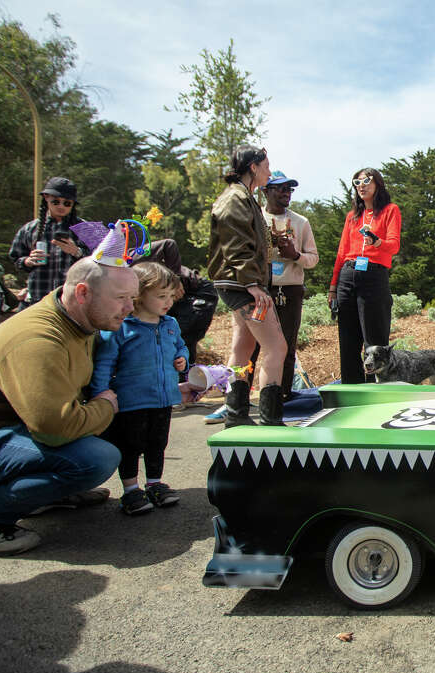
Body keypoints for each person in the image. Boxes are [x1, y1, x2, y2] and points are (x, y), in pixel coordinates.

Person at [0, 259, 136, 555]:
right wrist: (105, 406)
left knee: (114, 423)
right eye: (121, 298)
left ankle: (46, 494)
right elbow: (55, 429)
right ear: (82, 293)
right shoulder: (37, 339)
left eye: (133, 298)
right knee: (96, 458)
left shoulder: (81, 321)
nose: (129, 308)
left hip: (13, 431)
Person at [88, 262, 188, 515]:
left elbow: (181, 347)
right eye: (161, 296)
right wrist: (100, 394)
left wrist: (182, 359)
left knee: (157, 443)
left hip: (163, 399)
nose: (168, 302)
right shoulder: (122, 327)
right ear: (139, 295)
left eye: (171, 296)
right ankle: (131, 490)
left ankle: (154, 483)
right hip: (131, 401)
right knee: (130, 445)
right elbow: (105, 362)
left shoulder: (170, 324)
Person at [208, 145, 288, 426]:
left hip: (237, 282)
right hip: (242, 284)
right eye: (266, 166)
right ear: (253, 167)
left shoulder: (242, 197)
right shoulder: (235, 198)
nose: (269, 171)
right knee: (276, 347)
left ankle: (236, 413)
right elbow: (236, 246)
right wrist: (254, 284)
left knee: (243, 346)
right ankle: (270, 418)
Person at [328, 167, 401, 384]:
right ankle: (351, 391)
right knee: (348, 340)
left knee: (375, 341)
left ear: (377, 183)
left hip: (373, 276)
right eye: (357, 182)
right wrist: (333, 286)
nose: (362, 185)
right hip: (348, 276)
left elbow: (394, 246)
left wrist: (377, 241)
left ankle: (376, 394)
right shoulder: (352, 216)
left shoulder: (390, 210)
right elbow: (341, 252)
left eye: (366, 181)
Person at [252, 170, 318, 399]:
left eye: (289, 189)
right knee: (253, 346)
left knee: (287, 345)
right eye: (280, 188)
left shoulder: (301, 222)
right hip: (260, 290)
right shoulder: (255, 219)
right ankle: (251, 395)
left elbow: (313, 259)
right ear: (265, 190)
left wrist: (295, 254)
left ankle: (284, 395)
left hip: (290, 290)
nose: (286, 193)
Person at [9, 176, 90, 308]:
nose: (61, 206)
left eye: (67, 203)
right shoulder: (30, 229)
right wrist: (27, 261)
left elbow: (101, 260)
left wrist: (77, 252)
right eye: (56, 202)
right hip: (37, 297)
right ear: (46, 198)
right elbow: (15, 257)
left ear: (73, 204)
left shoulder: (85, 228)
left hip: (72, 299)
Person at [136, 238, 218, 367]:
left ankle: (185, 377)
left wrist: (176, 278)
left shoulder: (130, 257)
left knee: (179, 338)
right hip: (173, 299)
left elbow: (168, 244)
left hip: (197, 292)